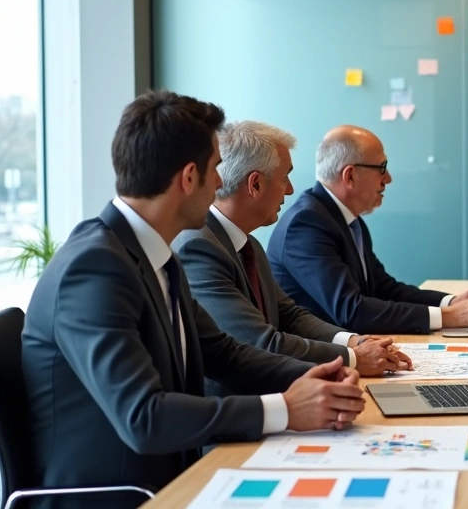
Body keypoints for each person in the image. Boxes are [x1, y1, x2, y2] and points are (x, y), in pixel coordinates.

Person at [20, 91, 367, 509]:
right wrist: (285, 409)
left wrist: (322, 375)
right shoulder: (94, 269)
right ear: (189, 177)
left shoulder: (153, 255)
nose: (222, 182)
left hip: (173, 482)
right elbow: (145, 418)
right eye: (216, 168)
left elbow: (223, 353)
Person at [173, 121, 414, 393]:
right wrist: (354, 358)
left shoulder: (247, 243)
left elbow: (290, 315)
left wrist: (353, 341)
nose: (289, 190)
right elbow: (262, 342)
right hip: (237, 407)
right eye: (284, 177)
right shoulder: (198, 247)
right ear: (255, 184)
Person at [267, 125, 468, 334]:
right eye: (382, 168)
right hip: (316, 359)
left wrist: (451, 303)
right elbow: (351, 310)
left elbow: (383, 288)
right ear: (350, 176)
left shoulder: (347, 220)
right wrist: (448, 317)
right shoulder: (306, 224)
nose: (388, 179)